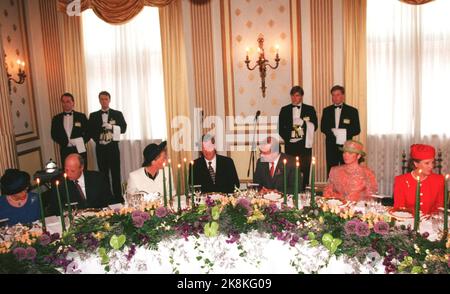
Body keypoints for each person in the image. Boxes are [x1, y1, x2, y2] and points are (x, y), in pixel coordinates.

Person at [88, 91, 127, 203]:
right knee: (103, 174)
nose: (104, 101)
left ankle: (118, 198)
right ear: (99, 100)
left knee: (115, 173)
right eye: (101, 99)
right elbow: (90, 131)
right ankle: (106, 198)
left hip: (113, 148)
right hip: (100, 149)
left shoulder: (117, 114)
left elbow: (124, 128)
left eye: (106, 99)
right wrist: (99, 139)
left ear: (109, 100)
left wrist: (112, 126)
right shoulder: (93, 115)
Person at [278, 86, 317, 190]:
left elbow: (315, 126)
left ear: (301, 96)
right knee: (291, 168)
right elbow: (280, 128)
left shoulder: (310, 109)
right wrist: (289, 138)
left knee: (305, 168)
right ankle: (291, 190)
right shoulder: (284, 110)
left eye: (297, 95)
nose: (294, 98)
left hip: (304, 145)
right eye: (293, 95)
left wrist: (303, 123)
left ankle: (303, 190)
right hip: (290, 145)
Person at [320, 85, 360, 176]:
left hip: (346, 147)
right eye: (333, 95)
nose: (335, 97)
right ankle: (331, 189)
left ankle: (345, 189)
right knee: (331, 169)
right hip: (331, 145)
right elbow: (323, 127)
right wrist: (333, 134)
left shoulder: (352, 111)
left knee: (346, 170)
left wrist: (342, 133)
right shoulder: (326, 110)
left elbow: (357, 129)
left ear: (343, 96)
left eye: (337, 95)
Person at [394, 144, 444, 215]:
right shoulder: (400, 181)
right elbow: (399, 208)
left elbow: (439, 208)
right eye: (427, 163)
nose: (431, 166)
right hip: (408, 222)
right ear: (415, 164)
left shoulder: (439, 180)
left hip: (431, 223)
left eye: (432, 162)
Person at [51, 92, 89, 167]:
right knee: (67, 171)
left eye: (68, 101)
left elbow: (89, 132)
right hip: (65, 150)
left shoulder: (81, 116)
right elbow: (53, 134)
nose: (65, 104)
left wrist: (79, 141)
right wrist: (64, 142)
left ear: (73, 103)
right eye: (63, 102)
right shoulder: (56, 118)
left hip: (79, 149)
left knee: (82, 170)